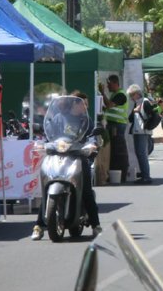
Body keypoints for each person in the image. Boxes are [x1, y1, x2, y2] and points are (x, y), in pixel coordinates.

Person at [31, 92, 102, 240]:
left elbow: (93, 137)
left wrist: (92, 145)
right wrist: (42, 143)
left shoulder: (85, 120)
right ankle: (38, 226)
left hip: (78, 156)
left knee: (86, 191)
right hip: (56, 156)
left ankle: (96, 225)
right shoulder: (58, 118)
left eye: (86, 104)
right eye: (83, 103)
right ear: (74, 104)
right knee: (45, 190)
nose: (85, 106)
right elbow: (47, 134)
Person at [98, 75, 129, 182]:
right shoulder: (115, 94)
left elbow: (109, 105)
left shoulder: (120, 95)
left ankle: (121, 174)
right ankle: (116, 172)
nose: (107, 86)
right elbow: (108, 107)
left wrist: (102, 93)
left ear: (115, 83)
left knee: (118, 149)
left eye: (109, 84)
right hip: (114, 124)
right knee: (114, 150)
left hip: (118, 125)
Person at [127, 84, 153, 185]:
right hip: (138, 131)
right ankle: (144, 175)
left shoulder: (145, 102)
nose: (131, 98)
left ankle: (146, 176)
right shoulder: (138, 103)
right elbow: (130, 118)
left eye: (131, 95)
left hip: (142, 131)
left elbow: (151, 116)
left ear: (137, 94)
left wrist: (146, 126)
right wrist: (134, 112)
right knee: (140, 153)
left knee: (141, 153)